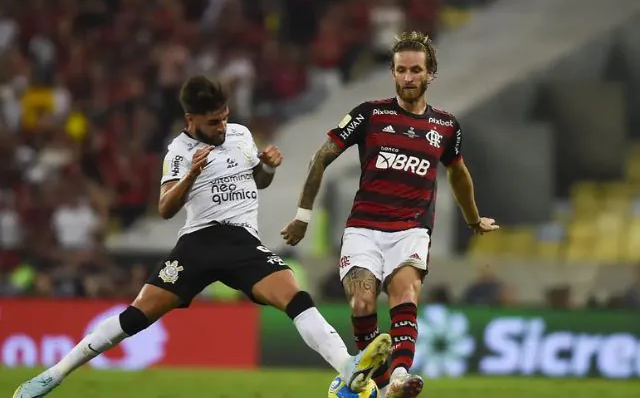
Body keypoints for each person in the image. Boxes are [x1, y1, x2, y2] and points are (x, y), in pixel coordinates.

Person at [14, 76, 392, 398]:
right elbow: (165, 208)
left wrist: (267, 167)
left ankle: (347, 369)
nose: (222, 127)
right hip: (198, 243)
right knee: (135, 316)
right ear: (190, 119)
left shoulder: (241, 135)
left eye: (224, 118)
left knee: (297, 297)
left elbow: (257, 183)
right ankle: (55, 373)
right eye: (213, 122)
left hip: (243, 242)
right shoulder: (178, 152)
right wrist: (192, 176)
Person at [281, 32, 499, 398]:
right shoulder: (369, 114)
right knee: (362, 301)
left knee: (405, 295)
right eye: (401, 70)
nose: (408, 77)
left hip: (411, 229)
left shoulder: (445, 127)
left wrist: (473, 219)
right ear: (392, 73)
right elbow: (321, 157)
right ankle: (382, 387)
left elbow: (458, 174)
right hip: (364, 228)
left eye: (416, 70)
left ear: (431, 74)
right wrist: (303, 215)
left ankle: (398, 377)